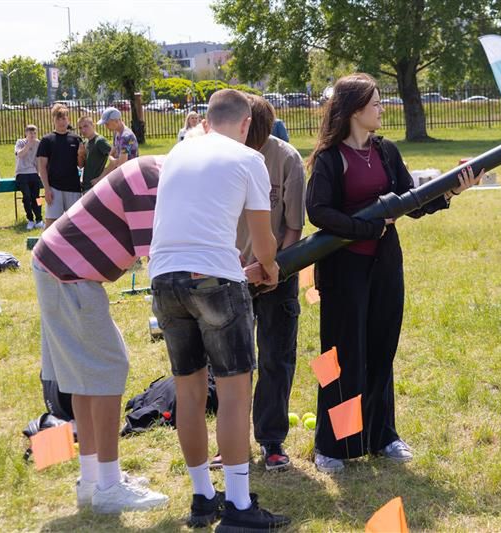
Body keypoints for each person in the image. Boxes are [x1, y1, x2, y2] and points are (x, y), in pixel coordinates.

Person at [305, 73, 482, 473]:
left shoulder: (386, 151)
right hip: (343, 271)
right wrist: (367, 227)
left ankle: (381, 436)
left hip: (385, 266)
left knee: (381, 350)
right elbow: (318, 212)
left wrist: (453, 190)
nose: (382, 109)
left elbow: (411, 202)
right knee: (340, 358)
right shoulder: (330, 158)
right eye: (376, 103)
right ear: (355, 110)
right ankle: (334, 445)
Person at [149, 89, 290, 531]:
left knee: (189, 392)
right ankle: (240, 506)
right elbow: (263, 242)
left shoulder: (177, 152)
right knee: (234, 393)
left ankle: (202, 497)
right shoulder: (249, 159)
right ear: (246, 124)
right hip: (214, 279)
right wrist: (270, 268)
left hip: (164, 278)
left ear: (207, 121)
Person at [32, 156, 169, 513]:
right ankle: (108, 486)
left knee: (85, 377)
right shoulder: (151, 181)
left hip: (60, 267)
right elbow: (157, 262)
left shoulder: (153, 170)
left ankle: (92, 479)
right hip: (68, 273)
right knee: (108, 369)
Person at [235, 95, 305, 471]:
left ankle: (271, 439)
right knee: (232, 363)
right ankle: (231, 442)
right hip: (232, 275)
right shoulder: (225, 158)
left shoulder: (287, 159)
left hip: (278, 275)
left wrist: (276, 267)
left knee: (276, 357)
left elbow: (293, 226)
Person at [37, 103, 86, 229]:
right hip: (54, 188)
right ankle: (45, 243)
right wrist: (47, 189)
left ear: (68, 119)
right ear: (53, 120)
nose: (61, 122)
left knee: (75, 223)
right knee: (51, 224)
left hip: (73, 187)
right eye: (58, 119)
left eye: (64, 118)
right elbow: (42, 167)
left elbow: (81, 165)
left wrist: (81, 155)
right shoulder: (46, 140)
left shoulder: (76, 139)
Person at [14, 125, 44, 230]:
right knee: (27, 197)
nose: (33, 135)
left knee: (37, 198)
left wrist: (38, 173)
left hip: (34, 173)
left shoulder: (38, 143)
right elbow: (20, 154)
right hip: (22, 173)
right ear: (26, 133)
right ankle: (30, 219)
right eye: (30, 133)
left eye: (34, 133)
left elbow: (39, 159)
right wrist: (29, 144)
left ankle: (39, 219)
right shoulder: (20, 142)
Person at [98, 107, 138, 176]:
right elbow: (111, 155)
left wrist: (114, 160)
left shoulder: (126, 137)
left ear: (116, 121)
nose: (106, 127)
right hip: (121, 172)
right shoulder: (116, 133)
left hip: (129, 174)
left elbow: (122, 163)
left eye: (107, 124)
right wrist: (114, 160)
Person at [77, 116, 112, 191]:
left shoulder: (99, 141)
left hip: (97, 187)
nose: (83, 130)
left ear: (93, 125)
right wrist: (80, 155)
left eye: (85, 126)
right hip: (86, 186)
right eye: (80, 128)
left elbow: (115, 160)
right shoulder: (85, 143)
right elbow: (81, 166)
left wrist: (100, 178)